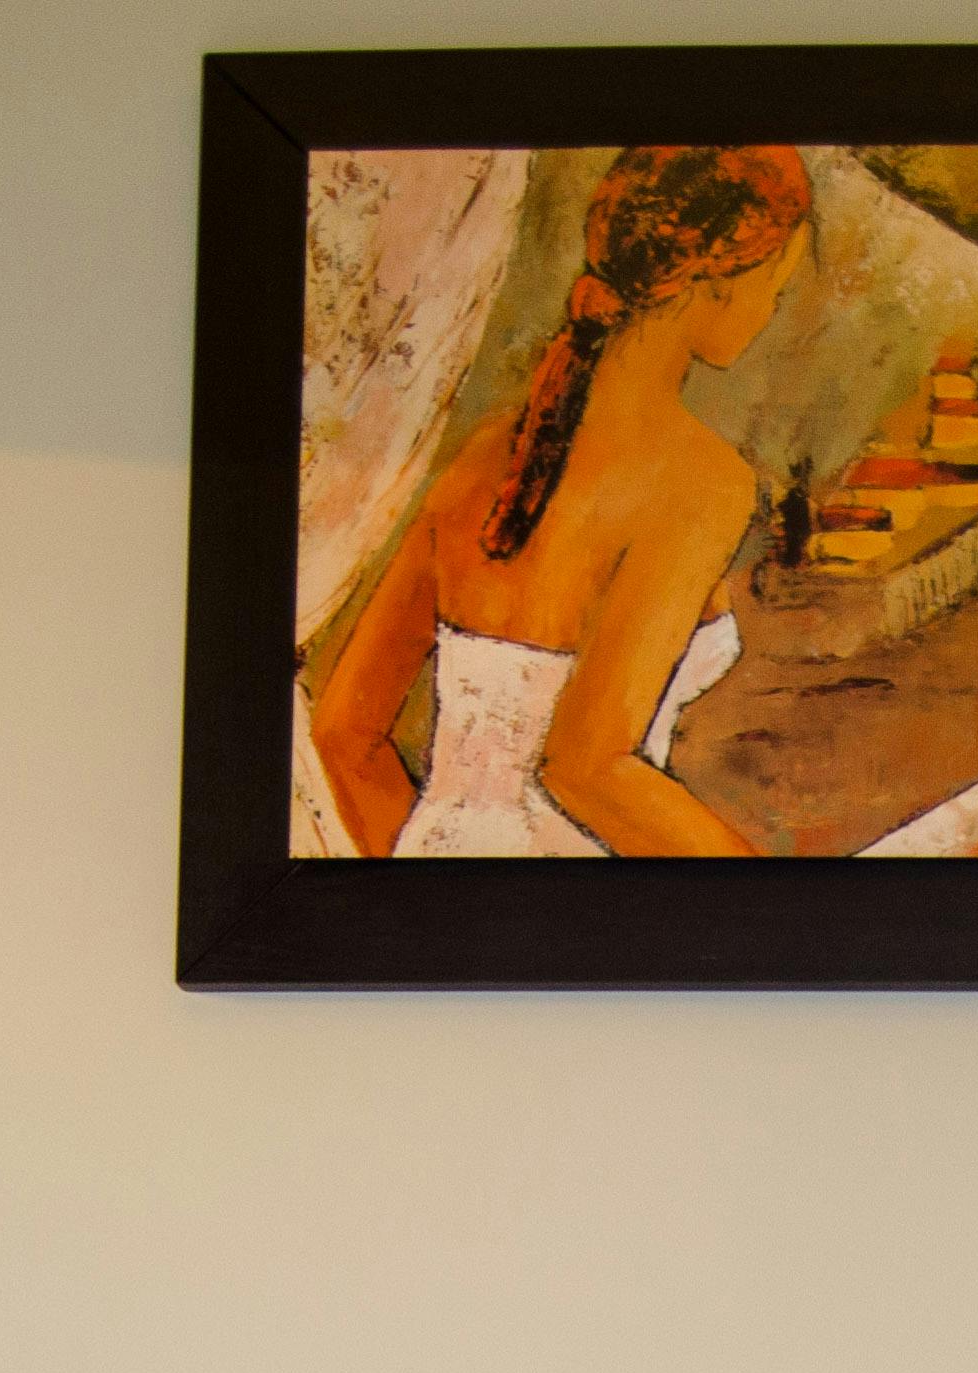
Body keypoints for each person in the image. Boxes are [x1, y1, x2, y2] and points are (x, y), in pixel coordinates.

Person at [312, 146, 817, 858]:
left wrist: (432, 870)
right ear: (715, 284)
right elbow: (586, 767)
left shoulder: (489, 452)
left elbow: (344, 734)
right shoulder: (703, 481)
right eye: (774, 287)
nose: (771, 311)